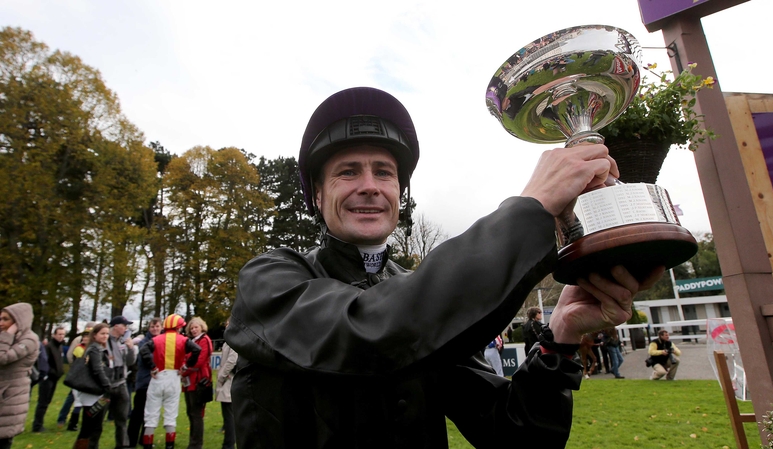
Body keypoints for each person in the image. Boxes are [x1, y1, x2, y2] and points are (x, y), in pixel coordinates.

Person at [225, 87, 663, 448]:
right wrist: (531, 210)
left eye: (384, 172)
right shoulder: (270, 279)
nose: (369, 187)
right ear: (317, 196)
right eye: (347, 172)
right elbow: (373, 329)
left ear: (400, 192)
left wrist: (562, 336)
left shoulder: (423, 301)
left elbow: (517, 435)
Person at [140, 314, 201, 449]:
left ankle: (147, 445)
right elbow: (197, 350)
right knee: (171, 414)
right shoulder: (184, 340)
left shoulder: (156, 339)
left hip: (158, 377)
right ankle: (170, 446)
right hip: (174, 377)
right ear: (178, 327)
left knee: (151, 414)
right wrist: (186, 366)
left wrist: (153, 366)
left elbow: (143, 349)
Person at [0, 303, 40, 449]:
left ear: (18, 321)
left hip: (10, 397)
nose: (1, 323)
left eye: (5, 319)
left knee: (3, 439)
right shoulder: (6, 338)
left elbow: (2, 358)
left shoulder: (29, 340)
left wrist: (7, 335)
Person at [73, 323, 115, 449]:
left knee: (94, 426)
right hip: (92, 393)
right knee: (90, 427)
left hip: (97, 392)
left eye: (107, 333)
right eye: (102, 333)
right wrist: (108, 386)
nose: (105, 336)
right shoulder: (95, 349)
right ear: (95, 335)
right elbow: (98, 370)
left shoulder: (100, 349)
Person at [128, 317, 162, 446]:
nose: (155, 329)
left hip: (158, 382)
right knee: (138, 413)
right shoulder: (144, 342)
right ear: (149, 328)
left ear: (161, 327)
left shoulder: (163, 340)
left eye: (157, 326)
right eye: (153, 327)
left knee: (152, 413)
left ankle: (145, 438)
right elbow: (146, 358)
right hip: (144, 382)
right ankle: (131, 440)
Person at [183, 317, 213, 449]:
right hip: (189, 381)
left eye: (196, 327)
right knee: (190, 412)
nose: (194, 330)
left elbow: (199, 361)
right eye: (192, 328)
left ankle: (196, 444)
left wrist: (184, 370)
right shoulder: (190, 341)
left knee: (196, 413)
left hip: (198, 380)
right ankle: (193, 441)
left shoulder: (204, 340)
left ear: (202, 327)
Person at [107, 316, 136, 448]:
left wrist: (131, 349)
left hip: (121, 383)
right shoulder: (105, 340)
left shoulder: (123, 342)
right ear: (115, 326)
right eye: (124, 325)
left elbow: (130, 363)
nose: (126, 328)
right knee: (96, 422)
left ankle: (122, 445)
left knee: (122, 420)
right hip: (105, 386)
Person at [58, 325, 94, 431]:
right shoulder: (79, 348)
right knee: (77, 400)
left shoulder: (91, 348)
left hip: (86, 378)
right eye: (85, 336)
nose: (86, 338)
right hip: (79, 378)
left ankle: (79, 422)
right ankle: (72, 424)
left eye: (88, 336)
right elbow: (82, 363)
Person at [33, 326, 66, 432]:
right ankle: (37, 425)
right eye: (59, 334)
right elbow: (44, 363)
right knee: (42, 402)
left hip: (55, 378)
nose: (61, 336)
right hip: (47, 378)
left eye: (63, 334)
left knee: (47, 401)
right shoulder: (49, 347)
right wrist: (50, 373)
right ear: (54, 335)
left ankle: (40, 423)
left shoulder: (60, 347)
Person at [215, 319, 238, 449]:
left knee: (229, 416)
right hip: (227, 380)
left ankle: (229, 444)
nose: (227, 326)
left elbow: (232, 360)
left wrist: (221, 376)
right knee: (227, 415)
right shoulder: (229, 341)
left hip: (228, 381)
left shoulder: (234, 341)